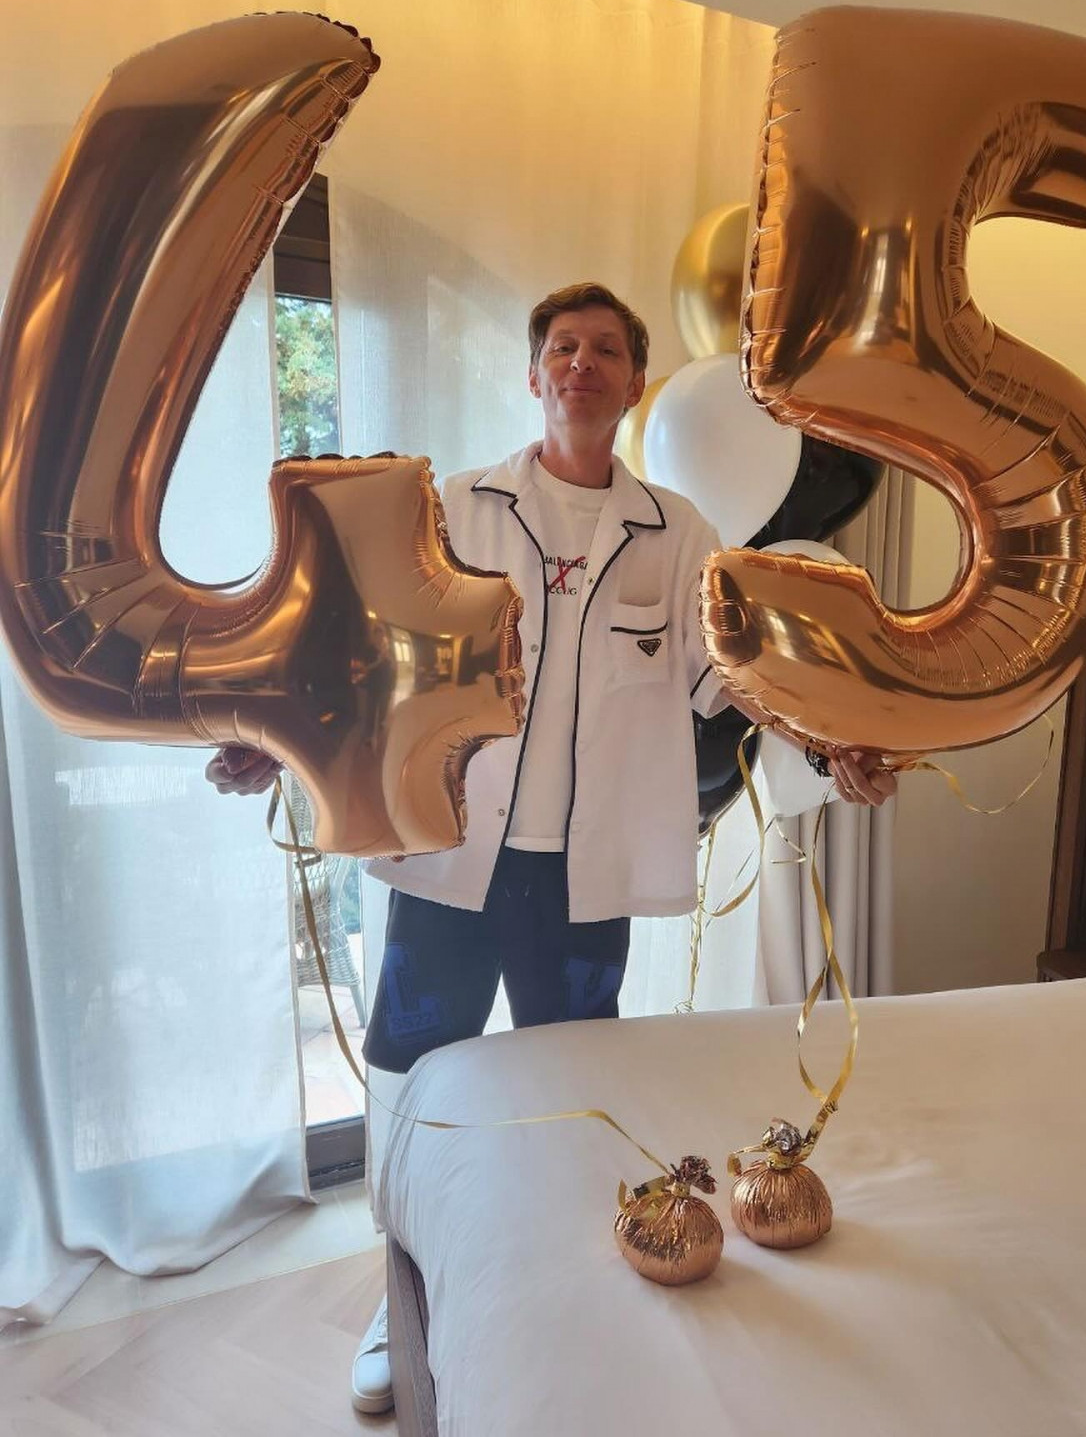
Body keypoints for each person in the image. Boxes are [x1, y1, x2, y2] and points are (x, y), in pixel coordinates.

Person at [205, 282, 897, 1413]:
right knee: (413, 1070)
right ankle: (399, 1291)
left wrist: (832, 748)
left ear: (633, 383)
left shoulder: (679, 533)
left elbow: (734, 677)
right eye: (563, 347)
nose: (582, 363)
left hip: (583, 872)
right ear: (534, 376)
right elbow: (361, 644)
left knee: (572, 1077)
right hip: (452, 851)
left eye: (606, 349)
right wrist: (272, 743)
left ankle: (554, 1280)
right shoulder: (454, 510)